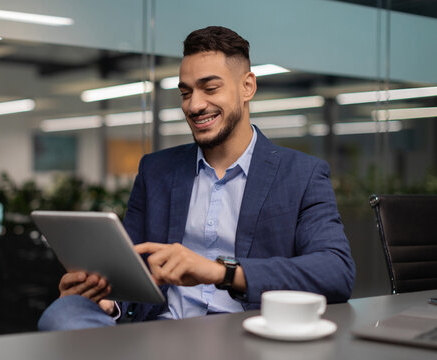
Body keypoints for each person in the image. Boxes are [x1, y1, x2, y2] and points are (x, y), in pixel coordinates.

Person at [38, 26, 355, 330]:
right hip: (162, 330)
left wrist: (221, 272)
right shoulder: (156, 170)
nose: (194, 105)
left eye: (210, 88)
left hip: (243, 333)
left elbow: (335, 273)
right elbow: (132, 269)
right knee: (63, 313)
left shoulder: (301, 173)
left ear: (247, 87)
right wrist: (106, 298)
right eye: (186, 92)